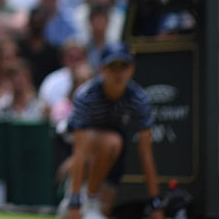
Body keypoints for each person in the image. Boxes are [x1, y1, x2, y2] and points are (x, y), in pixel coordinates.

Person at [61, 43, 163, 219]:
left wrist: (155, 203)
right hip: (78, 141)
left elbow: (146, 154)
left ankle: (89, 201)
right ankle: (84, 197)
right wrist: (75, 201)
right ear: (102, 69)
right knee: (112, 142)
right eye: (112, 67)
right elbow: (79, 149)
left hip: (114, 150)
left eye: (123, 67)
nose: (118, 73)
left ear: (131, 69)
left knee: (104, 212)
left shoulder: (139, 99)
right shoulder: (86, 95)